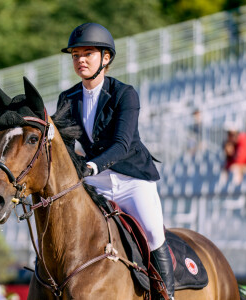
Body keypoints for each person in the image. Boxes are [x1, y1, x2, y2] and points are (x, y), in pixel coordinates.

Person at [55, 23, 174, 299]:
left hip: (132, 180)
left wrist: (91, 165)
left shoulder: (124, 94)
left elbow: (122, 144)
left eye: (88, 53)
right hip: (95, 181)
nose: (80, 60)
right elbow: (65, 148)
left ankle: (166, 295)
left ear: (105, 58)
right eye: (75, 55)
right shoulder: (68, 98)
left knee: (155, 233)